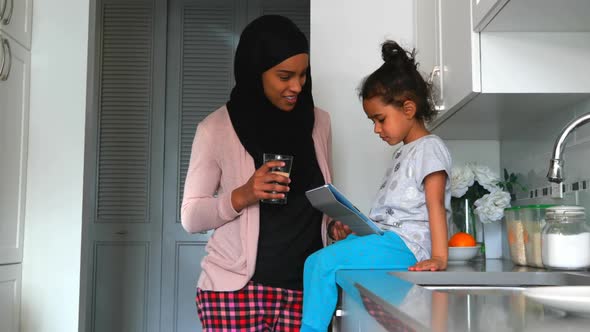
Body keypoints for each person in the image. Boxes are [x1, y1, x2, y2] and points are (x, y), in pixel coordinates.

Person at [180, 15, 333, 331]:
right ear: (255, 72)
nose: (296, 87)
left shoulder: (319, 123)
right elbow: (191, 216)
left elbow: (315, 206)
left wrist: (334, 228)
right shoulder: (215, 129)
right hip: (235, 295)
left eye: (303, 75)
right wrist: (243, 195)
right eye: (284, 76)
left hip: (306, 292)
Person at [300, 40, 452, 332]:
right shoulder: (407, 151)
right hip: (391, 239)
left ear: (408, 108)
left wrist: (439, 257)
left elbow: (436, 206)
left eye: (380, 119)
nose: (376, 129)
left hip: (407, 246)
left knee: (319, 264)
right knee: (327, 261)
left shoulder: (430, 149)